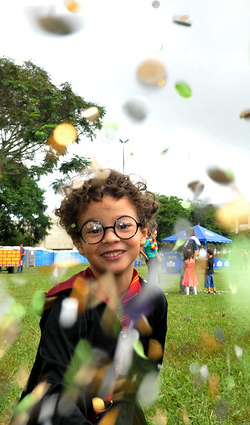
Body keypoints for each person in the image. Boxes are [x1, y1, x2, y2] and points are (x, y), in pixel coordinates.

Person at [12, 169, 168, 424]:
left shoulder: (154, 300)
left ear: (143, 233)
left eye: (124, 225)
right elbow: (51, 396)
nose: (110, 237)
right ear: (79, 242)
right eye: (94, 229)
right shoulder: (68, 304)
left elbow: (149, 364)